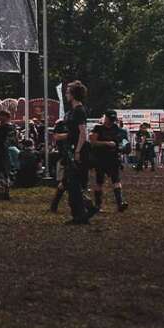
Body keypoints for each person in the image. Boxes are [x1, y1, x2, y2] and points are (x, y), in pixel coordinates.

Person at [55, 82, 93, 225]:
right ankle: (82, 212)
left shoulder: (79, 111)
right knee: (72, 184)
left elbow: (83, 134)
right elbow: (74, 133)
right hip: (74, 149)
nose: (66, 94)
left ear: (73, 94)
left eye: (68, 92)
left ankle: (81, 214)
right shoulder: (73, 111)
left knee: (73, 184)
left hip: (79, 151)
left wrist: (77, 151)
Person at [89, 112, 127, 213]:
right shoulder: (98, 128)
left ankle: (120, 203)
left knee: (116, 180)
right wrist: (106, 143)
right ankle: (98, 205)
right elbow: (93, 142)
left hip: (113, 158)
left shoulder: (117, 130)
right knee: (99, 181)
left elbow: (123, 142)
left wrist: (122, 146)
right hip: (100, 158)